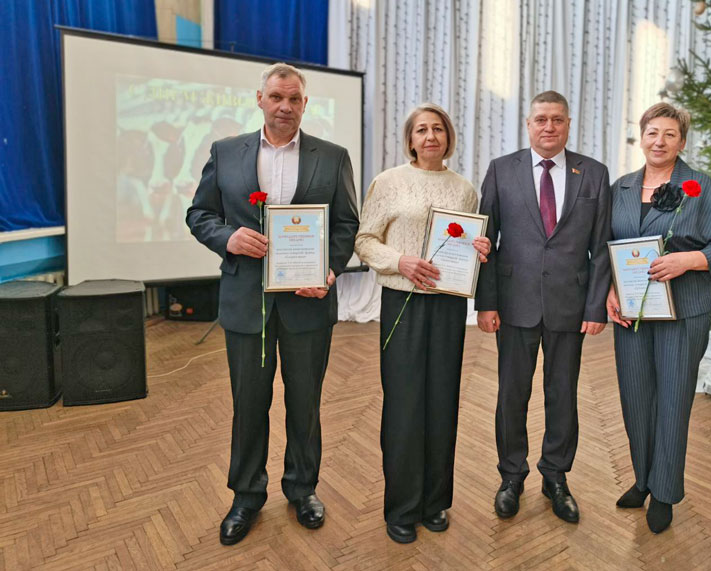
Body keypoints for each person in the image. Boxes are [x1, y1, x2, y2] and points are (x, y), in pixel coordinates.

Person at [186, 63, 359, 545]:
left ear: (305, 104)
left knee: (305, 404)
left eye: (294, 99)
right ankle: (246, 495)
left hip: (309, 303)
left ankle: (303, 489)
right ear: (259, 99)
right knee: (248, 404)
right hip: (246, 302)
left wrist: (330, 269)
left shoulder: (333, 156)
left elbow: (346, 224)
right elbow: (199, 213)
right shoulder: (225, 152)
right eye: (277, 97)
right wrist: (228, 238)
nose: (285, 107)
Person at [355, 103, 491, 544]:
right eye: (421, 130)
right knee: (404, 404)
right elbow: (364, 240)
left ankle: (434, 502)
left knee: (442, 402)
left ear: (448, 137)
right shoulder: (388, 182)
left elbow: (467, 245)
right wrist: (400, 261)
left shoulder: (464, 190)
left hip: (448, 306)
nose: (430, 136)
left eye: (438, 129)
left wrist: (481, 249)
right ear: (410, 140)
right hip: (403, 303)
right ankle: (401, 506)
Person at [475, 91, 612, 523]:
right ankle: (511, 476)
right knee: (511, 395)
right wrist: (486, 302)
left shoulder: (594, 173)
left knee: (563, 394)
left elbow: (601, 248)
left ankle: (556, 476)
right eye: (541, 119)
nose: (548, 127)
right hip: (513, 304)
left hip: (570, 304)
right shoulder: (501, 169)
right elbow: (486, 242)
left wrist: (596, 307)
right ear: (528, 124)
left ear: (568, 124)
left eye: (557, 119)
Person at [606, 102, 711, 534]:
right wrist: (610, 290)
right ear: (641, 137)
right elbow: (606, 246)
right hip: (632, 313)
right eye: (652, 133)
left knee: (672, 401)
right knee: (636, 398)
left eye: (669, 134)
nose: (659, 141)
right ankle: (643, 479)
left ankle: (664, 491)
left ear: (681, 141)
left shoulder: (699, 186)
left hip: (683, 312)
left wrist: (689, 260)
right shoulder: (622, 187)